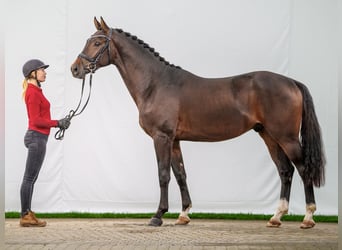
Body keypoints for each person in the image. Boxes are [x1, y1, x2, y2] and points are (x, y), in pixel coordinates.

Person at [19, 59, 70, 227]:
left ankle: (27, 213)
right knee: (29, 178)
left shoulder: (36, 91)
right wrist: (57, 123)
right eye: (41, 70)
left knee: (30, 179)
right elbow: (36, 120)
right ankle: (25, 215)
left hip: (38, 138)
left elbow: (41, 118)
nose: (44, 72)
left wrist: (59, 123)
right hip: (36, 137)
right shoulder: (33, 93)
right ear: (32, 73)